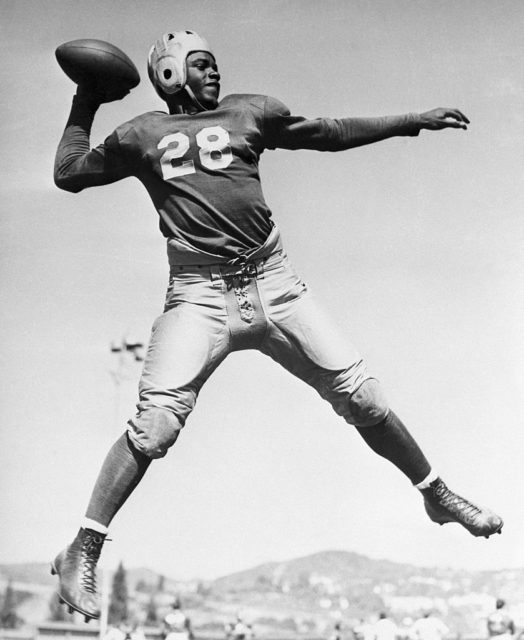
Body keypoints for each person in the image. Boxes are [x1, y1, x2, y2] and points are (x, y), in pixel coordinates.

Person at [50, 29, 503, 622]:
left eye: (215, 64)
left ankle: (435, 493)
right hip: (200, 294)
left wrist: (410, 119)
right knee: (156, 426)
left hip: (274, 281)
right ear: (169, 73)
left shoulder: (248, 112)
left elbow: (329, 134)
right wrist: (86, 100)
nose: (216, 73)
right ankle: (83, 545)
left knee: (364, 397)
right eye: (203, 65)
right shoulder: (140, 134)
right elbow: (69, 172)